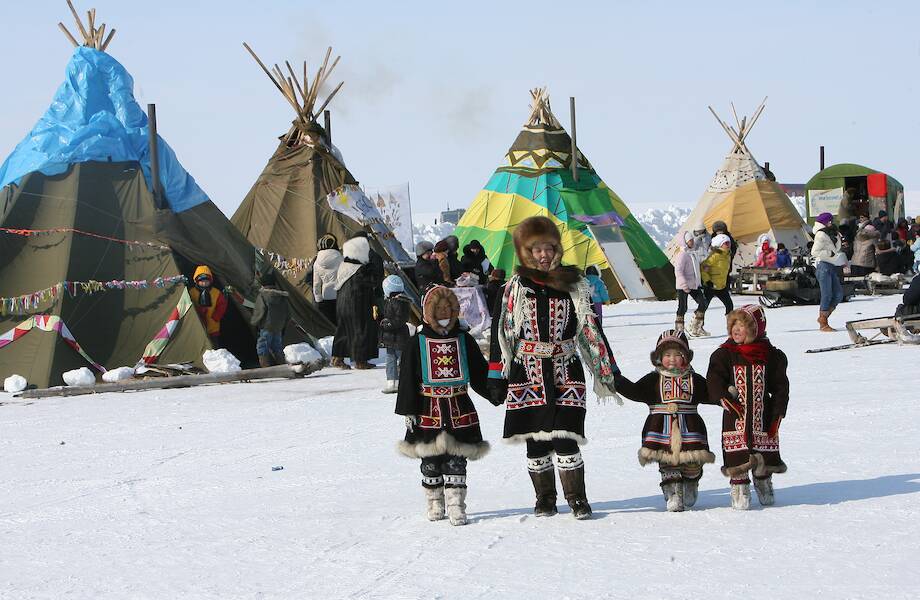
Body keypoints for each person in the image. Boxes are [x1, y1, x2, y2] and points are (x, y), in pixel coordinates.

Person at [489, 216, 620, 520]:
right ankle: (544, 499)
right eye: (536, 250)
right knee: (535, 440)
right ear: (526, 253)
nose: (544, 255)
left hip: (566, 370)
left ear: (557, 250)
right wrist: (496, 376)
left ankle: (577, 499)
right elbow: (501, 334)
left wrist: (608, 369)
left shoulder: (575, 286)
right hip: (527, 372)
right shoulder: (513, 289)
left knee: (566, 437)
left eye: (549, 248)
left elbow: (591, 329)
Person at [395, 285, 493, 526]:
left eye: (448, 307)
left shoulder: (463, 339)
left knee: (457, 461)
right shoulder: (416, 342)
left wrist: (497, 390)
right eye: (438, 309)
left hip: (459, 407)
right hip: (427, 410)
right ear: (428, 312)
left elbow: (481, 373)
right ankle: (435, 502)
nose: (444, 313)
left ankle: (456, 505)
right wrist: (409, 409)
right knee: (430, 463)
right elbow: (407, 378)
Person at [615, 330, 715, 512]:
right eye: (667, 355)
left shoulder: (694, 379)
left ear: (686, 357)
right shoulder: (653, 379)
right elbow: (635, 391)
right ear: (659, 357)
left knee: (691, 463)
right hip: (660, 428)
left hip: (690, 428)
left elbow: (712, 394)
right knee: (668, 464)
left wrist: (729, 393)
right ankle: (673, 495)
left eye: (677, 355)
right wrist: (616, 380)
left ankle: (692, 480)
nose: (672, 359)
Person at [706, 305, 789, 510]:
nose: (736, 330)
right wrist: (725, 398)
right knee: (736, 454)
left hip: (763, 414)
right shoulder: (725, 354)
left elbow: (780, 387)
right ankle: (739, 486)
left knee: (764, 453)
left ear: (755, 330)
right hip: (735, 415)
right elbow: (714, 380)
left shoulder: (771, 355)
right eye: (733, 325)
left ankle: (763, 480)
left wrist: (777, 413)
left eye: (742, 326)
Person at [334, 235, 379, 370]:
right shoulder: (360, 270)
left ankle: (337, 358)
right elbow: (372, 281)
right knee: (360, 330)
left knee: (343, 330)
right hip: (356, 304)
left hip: (342, 303)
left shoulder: (344, 266)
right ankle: (360, 360)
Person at [811, 212, 847, 332]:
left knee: (838, 294)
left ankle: (823, 317)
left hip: (832, 265)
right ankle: (823, 323)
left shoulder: (831, 233)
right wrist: (829, 254)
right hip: (823, 266)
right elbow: (814, 252)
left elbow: (834, 248)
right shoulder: (821, 234)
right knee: (827, 294)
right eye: (829, 221)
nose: (831, 223)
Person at [379, 275, 413, 394]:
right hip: (390, 337)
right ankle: (391, 382)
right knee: (390, 360)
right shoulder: (391, 301)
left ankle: (406, 382)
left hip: (399, 336)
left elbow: (400, 319)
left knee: (402, 360)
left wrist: (388, 324)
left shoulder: (400, 302)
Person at [251, 271, 290, 367]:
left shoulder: (263, 296)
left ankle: (265, 366)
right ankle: (281, 364)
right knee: (277, 346)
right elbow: (288, 313)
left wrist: (255, 323)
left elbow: (260, 311)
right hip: (278, 327)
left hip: (266, 326)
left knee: (262, 346)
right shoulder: (282, 296)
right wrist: (283, 325)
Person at [698, 234, 734, 335]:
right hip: (711, 285)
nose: (728, 245)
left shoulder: (728, 255)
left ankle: (731, 327)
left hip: (721, 286)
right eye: (725, 243)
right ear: (720, 245)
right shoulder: (714, 256)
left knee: (729, 305)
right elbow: (703, 268)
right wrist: (707, 280)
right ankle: (697, 326)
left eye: (729, 243)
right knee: (703, 306)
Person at [673, 231, 706, 333]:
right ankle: (679, 329)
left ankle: (696, 326)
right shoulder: (682, 255)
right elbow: (678, 271)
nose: (692, 242)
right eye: (690, 240)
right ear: (685, 242)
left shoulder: (692, 253)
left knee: (703, 303)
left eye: (692, 240)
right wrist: (683, 284)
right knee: (683, 307)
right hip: (683, 285)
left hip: (693, 284)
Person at [189, 265, 228, 348]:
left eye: (207, 281)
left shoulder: (216, 293)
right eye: (201, 281)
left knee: (214, 344)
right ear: (196, 281)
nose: (204, 283)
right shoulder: (192, 292)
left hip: (213, 324)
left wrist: (216, 316)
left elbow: (222, 305)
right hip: (198, 324)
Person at [312, 234, 343, 324]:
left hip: (326, 295)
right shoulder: (341, 259)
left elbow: (316, 284)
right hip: (340, 295)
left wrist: (318, 300)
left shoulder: (317, 263)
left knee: (330, 325)